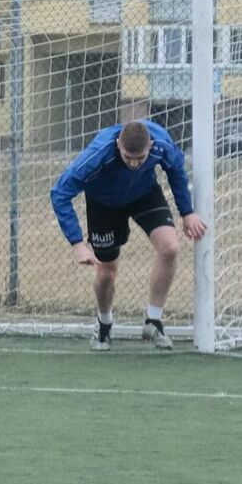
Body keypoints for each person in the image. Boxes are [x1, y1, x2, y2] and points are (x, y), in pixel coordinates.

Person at [50, 120, 207, 351]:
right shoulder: (98, 153)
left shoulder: (161, 143)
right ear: (117, 145)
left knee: (170, 248)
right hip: (104, 203)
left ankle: (153, 321)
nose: (134, 163)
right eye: (127, 157)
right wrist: (77, 243)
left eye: (140, 159)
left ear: (150, 146)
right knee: (107, 273)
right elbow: (59, 192)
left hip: (144, 195)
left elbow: (176, 170)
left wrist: (188, 212)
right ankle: (104, 323)